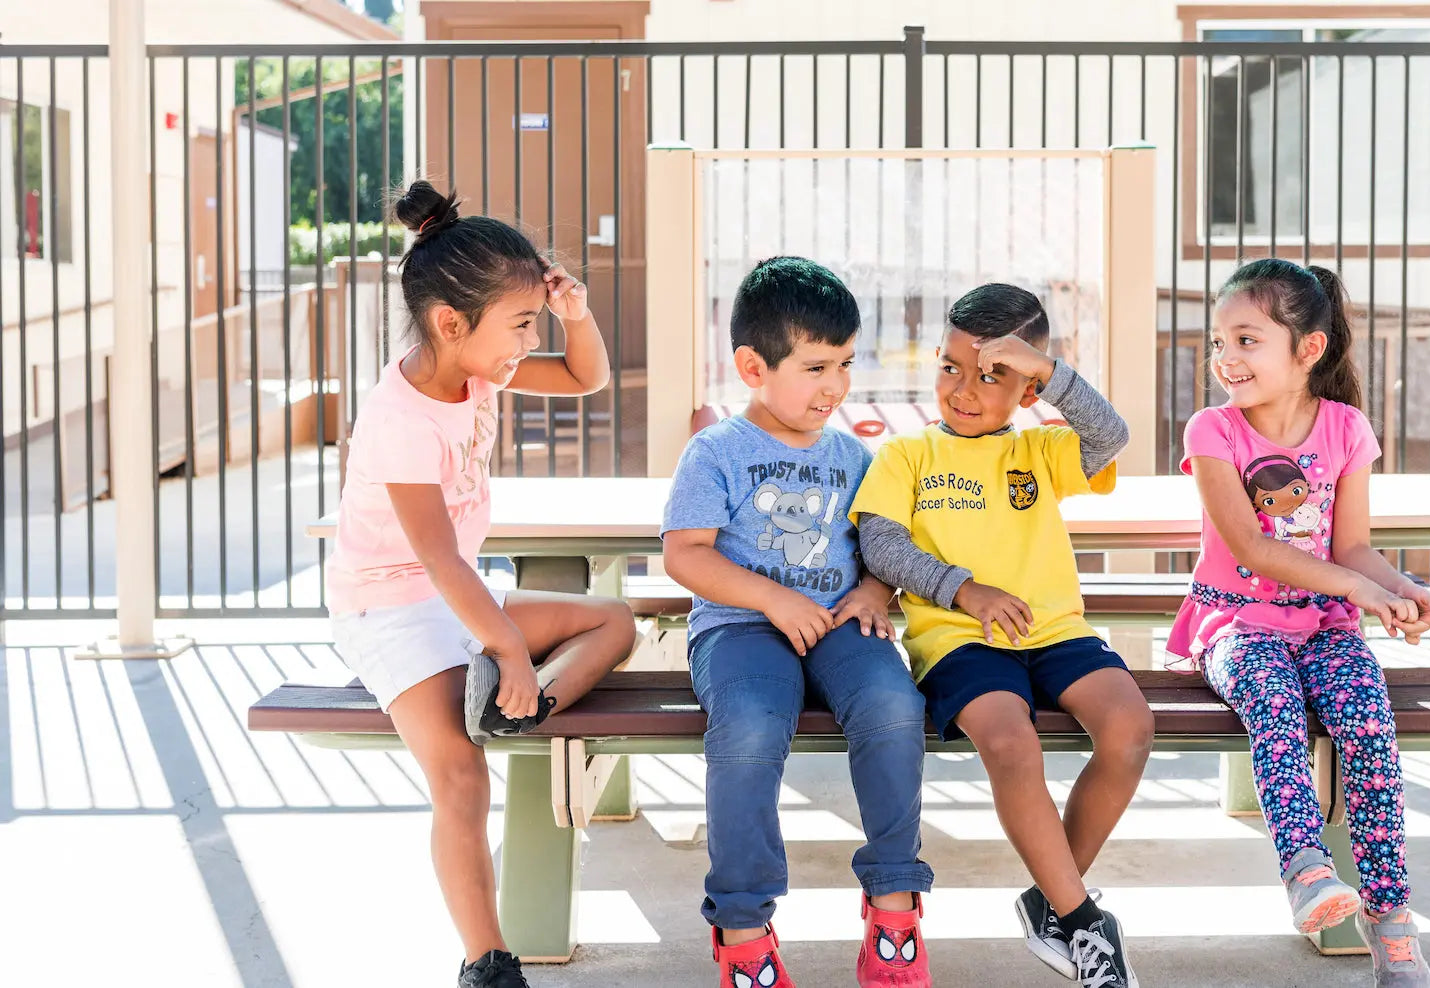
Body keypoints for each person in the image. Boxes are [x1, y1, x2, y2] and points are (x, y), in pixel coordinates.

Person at [325, 181, 639, 988]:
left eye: (531, 323)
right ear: (450, 323)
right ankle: (487, 959)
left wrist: (571, 312)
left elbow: (585, 377)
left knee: (613, 622)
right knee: (460, 779)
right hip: (392, 608)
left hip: (459, 599)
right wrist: (504, 645)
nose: (525, 342)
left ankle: (511, 707)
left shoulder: (480, 370)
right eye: (521, 325)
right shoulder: (398, 420)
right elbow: (436, 563)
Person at [850, 283, 1152, 988]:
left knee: (1130, 729)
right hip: (958, 640)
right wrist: (965, 588)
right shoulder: (905, 456)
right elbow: (882, 549)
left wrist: (1048, 371)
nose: (963, 388)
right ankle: (1082, 924)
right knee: (1012, 743)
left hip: (1055, 632)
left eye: (993, 375)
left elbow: (1109, 435)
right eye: (951, 366)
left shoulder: (1040, 452)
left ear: (1026, 390)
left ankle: (1054, 902)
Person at [1165, 258, 1430, 987]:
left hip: (1324, 625)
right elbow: (1252, 547)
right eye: (1219, 340)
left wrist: (1404, 589)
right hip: (1234, 623)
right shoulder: (1212, 431)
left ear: (1307, 349)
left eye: (1247, 340)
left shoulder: (1346, 428)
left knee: (1366, 723)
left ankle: (1391, 919)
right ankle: (1307, 872)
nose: (1225, 358)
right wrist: (1361, 587)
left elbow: (1351, 546)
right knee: (1276, 708)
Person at [661, 256, 934, 988]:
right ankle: (743, 924)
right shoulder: (715, 451)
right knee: (748, 729)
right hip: (739, 629)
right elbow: (685, 556)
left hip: (843, 627)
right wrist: (771, 598)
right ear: (753, 366)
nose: (835, 387)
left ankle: (894, 901)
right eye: (815, 367)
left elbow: (883, 544)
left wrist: (876, 591)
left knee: (893, 707)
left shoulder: (853, 454)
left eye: (844, 364)